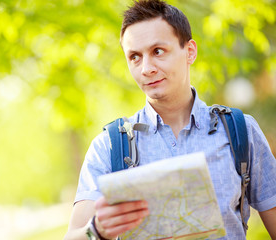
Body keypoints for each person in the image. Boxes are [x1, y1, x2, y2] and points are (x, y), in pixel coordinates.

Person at [64, 0, 276, 239]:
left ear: (190, 51)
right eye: (134, 56)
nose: (146, 68)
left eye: (157, 51)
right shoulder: (109, 146)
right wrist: (97, 230)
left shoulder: (240, 130)